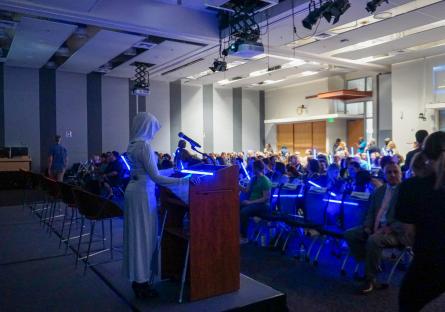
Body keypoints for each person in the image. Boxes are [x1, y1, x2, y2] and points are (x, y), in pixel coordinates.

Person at [123, 112, 190, 299]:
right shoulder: (144, 145)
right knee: (144, 238)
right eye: (152, 128)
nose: (153, 132)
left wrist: (171, 171)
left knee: (136, 237)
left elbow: (148, 172)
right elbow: (155, 177)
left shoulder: (133, 144)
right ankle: (142, 282)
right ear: (147, 127)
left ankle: (138, 280)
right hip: (143, 195)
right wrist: (183, 181)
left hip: (133, 191)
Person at [396, 131, 445, 312]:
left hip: (430, 260)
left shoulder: (411, 188)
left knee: (408, 302)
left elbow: (408, 234)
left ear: (423, 154)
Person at [344, 162, 409, 294]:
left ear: (401, 173)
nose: (392, 175)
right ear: (384, 175)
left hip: (397, 232)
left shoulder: (406, 192)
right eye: (389, 172)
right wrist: (368, 226)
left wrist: (389, 228)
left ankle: (369, 279)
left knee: (373, 240)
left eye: (395, 172)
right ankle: (371, 264)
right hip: (375, 227)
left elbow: (408, 218)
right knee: (350, 234)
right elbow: (370, 212)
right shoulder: (379, 191)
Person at [239, 160, 272, 243]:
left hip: (263, 206)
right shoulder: (253, 179)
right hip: (253, 204)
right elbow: (246, 190)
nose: (251, 169)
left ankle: (244, 237)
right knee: (236, 207)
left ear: (256, 168)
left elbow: (265, 198)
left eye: (253, 167)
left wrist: (250, 202)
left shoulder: (265, 180)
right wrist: (237, 185)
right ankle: (238, 233)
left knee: (244, 212)